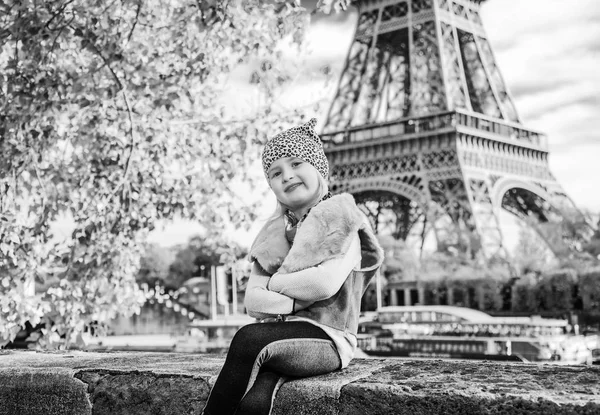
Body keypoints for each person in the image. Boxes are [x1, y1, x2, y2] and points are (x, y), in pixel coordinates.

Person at [201, 118, 384, 415]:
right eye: (275, 172)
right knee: (257, 394)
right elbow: (253, 303)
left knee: (249, 338)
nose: (287, 176)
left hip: (329, 338)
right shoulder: (271, 234)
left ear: (319, 169)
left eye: (297, 163)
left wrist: (274, 285)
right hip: (284, 338)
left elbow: (324, 284)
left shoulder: (341, 218)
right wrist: (298, 294)